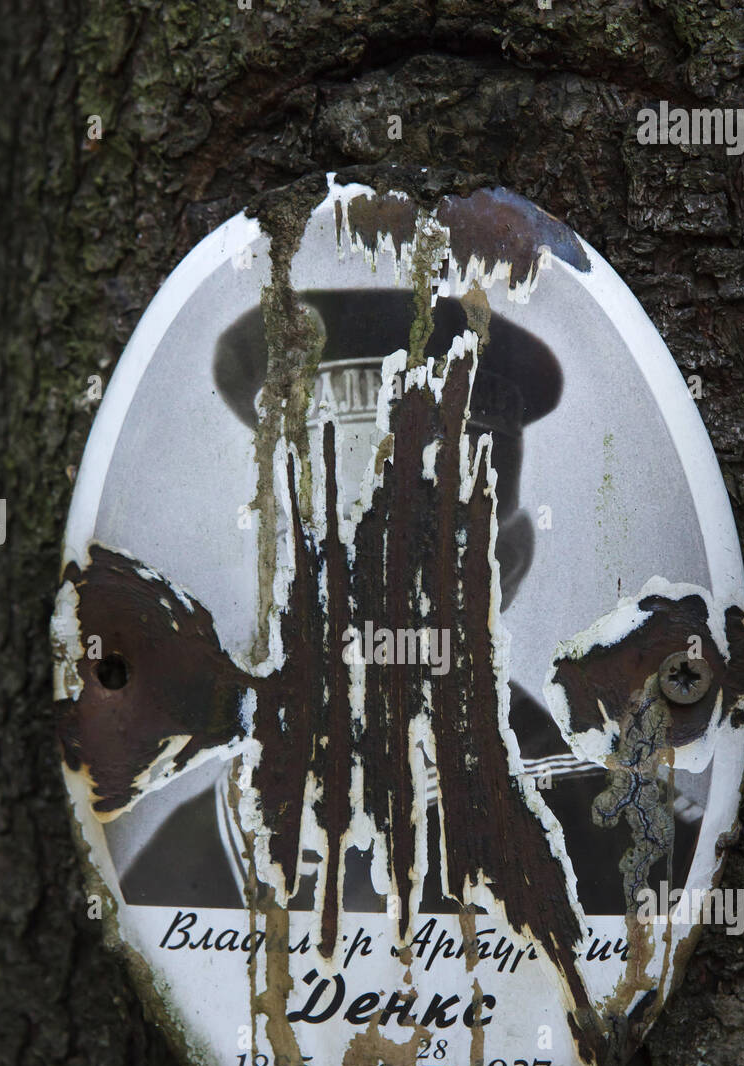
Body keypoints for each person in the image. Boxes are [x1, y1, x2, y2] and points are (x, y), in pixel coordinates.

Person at [119, 289, 701, 914]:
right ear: (282, 566)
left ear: (508, 564)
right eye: (332, 545)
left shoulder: (624, 843)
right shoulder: (199, 853)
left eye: (424, 543)